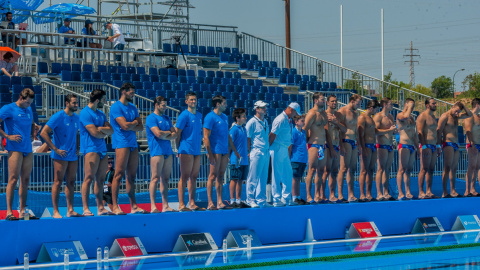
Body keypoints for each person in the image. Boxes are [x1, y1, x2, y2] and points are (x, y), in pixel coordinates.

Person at [40, 94, 81, 218]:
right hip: (60, 155)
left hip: (72, 155)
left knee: (71, 182)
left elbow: (77, 133)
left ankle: (70, 210)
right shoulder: (58, 116)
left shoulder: (76, 118)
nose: (76, 105)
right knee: (57, 182)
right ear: (67, 103)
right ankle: (55, 211)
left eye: (77, 103)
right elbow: (43, 132)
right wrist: (55, 149)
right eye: (74, 103)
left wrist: (78, 148)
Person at [109, 82, 145, 214]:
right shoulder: (115, 107)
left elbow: (141, 127)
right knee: (118, 174)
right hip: (121, 142)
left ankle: (134, 206)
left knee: (132, 176)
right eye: (131, 92)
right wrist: (134, 123)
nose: (133, 94)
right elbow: (124, 126)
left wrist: (132, 124)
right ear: (123, 91)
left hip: (133, 143)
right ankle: (114, 206)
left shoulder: (133, 107)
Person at [0, 88, 36, 220]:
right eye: (27, 102)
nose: (29, 105)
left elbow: (32, 123)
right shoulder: (8, 108)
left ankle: (22, 211)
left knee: (25, 180)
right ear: (21, 98)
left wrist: (32, 134)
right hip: (15, 148)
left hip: (28, 148)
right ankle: (9, 211)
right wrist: (7, 136)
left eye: (31, 103)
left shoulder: (29, 109)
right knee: (13, 179)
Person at [79, 89, 114, 216]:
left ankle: (100, 208)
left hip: (102, 150)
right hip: (91, 149)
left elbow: (111, 131)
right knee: (88, 179)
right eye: (104, 100)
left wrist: (100, 129)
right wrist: (101, 131)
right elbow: (94, 133)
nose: (105, 102)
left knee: (100, 180)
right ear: (98, 100)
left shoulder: (101, 114)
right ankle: (85, 208)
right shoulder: (85, 113)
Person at [203, 95, 240, 210]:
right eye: (224, 103)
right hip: (215, 150)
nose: (226, 105)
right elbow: (206, 136)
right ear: (218, 104)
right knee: (212, 176)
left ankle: (220, 202)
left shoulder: (224, 117)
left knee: (220, 176)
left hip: (224, 150)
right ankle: (210, 203)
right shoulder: (210, 117)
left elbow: (227, 135)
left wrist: (234, 150)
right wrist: (209, 153)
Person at [145, 96, 177, 212]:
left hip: (168, 150)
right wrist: (168, 133)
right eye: (163, 105)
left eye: (166, 105)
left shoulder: (167, 118)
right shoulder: (151, 118)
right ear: (156, 105)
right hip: (157, 151)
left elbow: (175, 135)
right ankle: (153, 205)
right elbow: (158, 134)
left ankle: (165, 205)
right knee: (155, 178)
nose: (165, 107)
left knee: (166, 179)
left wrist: (165, 134)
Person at [358, 100, 394, 202]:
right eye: (376, 109)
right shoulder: (362, 117)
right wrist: (362, 148)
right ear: (371, 108)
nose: (377, 111)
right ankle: (362, 195)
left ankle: (369, 194)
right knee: (364, 170)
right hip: (367, 145)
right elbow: (360, 134)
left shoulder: (371, 118)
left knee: (370, 171)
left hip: (373, 146)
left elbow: (374, 132)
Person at [175, 92, 204, 211]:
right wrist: (179, 149)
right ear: (186, 101)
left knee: (194, 177)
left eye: (195, 99)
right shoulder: (184, 115)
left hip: (197, 150)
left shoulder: (199, 115)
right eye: (191, 100)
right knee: (184, 176)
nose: (194, 101)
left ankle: (191, 202)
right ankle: (181, 204)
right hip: (186, 149)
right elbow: (177, 133)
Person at [437, 102, 472, 198]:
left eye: (458, 112)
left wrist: (463, 106)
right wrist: (438, 145)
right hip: (448, 143)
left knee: (454, 169)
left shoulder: (457, 116)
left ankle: (453, 191)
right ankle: (445, 192)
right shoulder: (445, 116)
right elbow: (438, 130)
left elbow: (470, 114)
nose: (457, 113)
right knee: (447, 168)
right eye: (456, 111)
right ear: (452, 107)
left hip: (456, 144)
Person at [269, 102, 300, 207]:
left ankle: (285, 198)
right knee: (276, 174)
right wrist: (266, 149)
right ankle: (276, 198)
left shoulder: (288, 119)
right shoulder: (280, 119)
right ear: (291, 110)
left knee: (288, 172)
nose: (295, 116)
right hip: (277, 148)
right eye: (295, 113)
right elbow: (272, 135)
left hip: (284, 148)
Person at [303, 93, 332, 204]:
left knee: (320, 171)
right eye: (322, 99)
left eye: (324, 99)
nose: (324, 101)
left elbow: (325, 130)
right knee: (311, 170)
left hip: (322, 146)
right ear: (315, 100)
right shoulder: (311, 113)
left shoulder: (324, 113)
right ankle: (309, 196)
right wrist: (307, 142)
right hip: (313, 145)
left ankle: (317, 195)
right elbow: (305, 129)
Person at [336, 94, 362, 202]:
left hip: (354, 142)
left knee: (352, 169)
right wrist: (341, 144)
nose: (359, 105)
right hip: (345, 140)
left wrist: (359, 144)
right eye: (358, 103)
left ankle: (351, 194)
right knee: (343, 168)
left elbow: (356, 131)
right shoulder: (342, 111)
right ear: (352, 101)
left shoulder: (356, 113)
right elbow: (338, 129)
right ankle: (340, 195)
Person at [245, 101, 270, 208]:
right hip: (256, 151)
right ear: (257, 109)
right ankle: (250, 199)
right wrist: (249, 152)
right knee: (253, 177)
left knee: (263, 177)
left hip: (265, 151)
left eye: (265, 107)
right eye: (262, 107)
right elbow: (247, 138)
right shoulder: (251, 122)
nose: (265, 109)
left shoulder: (265, 121)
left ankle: (261, 199)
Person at [416, 98, 442, 199]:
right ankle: (421, 192)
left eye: (435, 103)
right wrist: (424, 146)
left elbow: (435, 133)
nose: (435, 105)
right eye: (433, 103)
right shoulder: (422, 116)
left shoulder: (433, 117)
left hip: (434, 146)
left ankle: (429, 191)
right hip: (426, 146)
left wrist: (438, 146)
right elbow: (419, 132)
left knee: (431, 170)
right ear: (427, 105)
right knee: (423, 169)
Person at [395, 98, 420, 200]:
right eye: (411, 106)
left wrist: (418, 148)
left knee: (408, 170)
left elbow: (414, 134)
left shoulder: (411, 119)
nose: (412, 108)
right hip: (403, 145)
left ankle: (408, 192)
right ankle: (400, 193)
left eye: (413, 106)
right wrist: (408, 108)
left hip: (411, 146)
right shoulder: (400, 115)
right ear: (406, 104)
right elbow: (405, 116)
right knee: (401, 169)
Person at [373, 97, 397, 201]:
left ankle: (386, 192)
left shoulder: (391, 116)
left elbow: (391, 130)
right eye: (390, 104)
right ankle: (379, 193)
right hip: (381, 145)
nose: (392, 106)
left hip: (390, 145)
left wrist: (394, 131)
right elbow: (375, 131)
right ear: (384, 105)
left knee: (387, 169)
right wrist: (388, 130)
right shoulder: (378, 116)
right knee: (380, 169)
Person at [229, 108, 250, 208]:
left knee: (241, 180)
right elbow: (230, 143)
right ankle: (232, 200)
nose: (245, 118)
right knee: (234, 179)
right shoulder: (234, 129)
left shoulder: (244, 128)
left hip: (244, 160)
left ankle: (238, 200)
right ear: (237, 118)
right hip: (235, 159)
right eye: (243, 116)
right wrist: (229, 157)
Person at [289, 114, 308, 205]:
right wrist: (289, 158)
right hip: (295, 158)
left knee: (298, 178)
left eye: (304, 120)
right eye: (302, 121)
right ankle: (294, 197)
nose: (303, 122)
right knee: (294, 178)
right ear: (296, 122)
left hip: (303, 159)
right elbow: (290, 145)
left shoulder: (303, 132)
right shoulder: (294, 132)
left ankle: (298, 196)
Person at [465, 98, 480, 197]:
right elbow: (468, 131)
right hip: (472, 144)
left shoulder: (479, 117)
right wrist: (473, 144)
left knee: (478, 167)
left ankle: (473, 189)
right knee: (472, 167)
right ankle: (467, 190)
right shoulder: (470, 116)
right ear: (477, 105)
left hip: (479, 145)